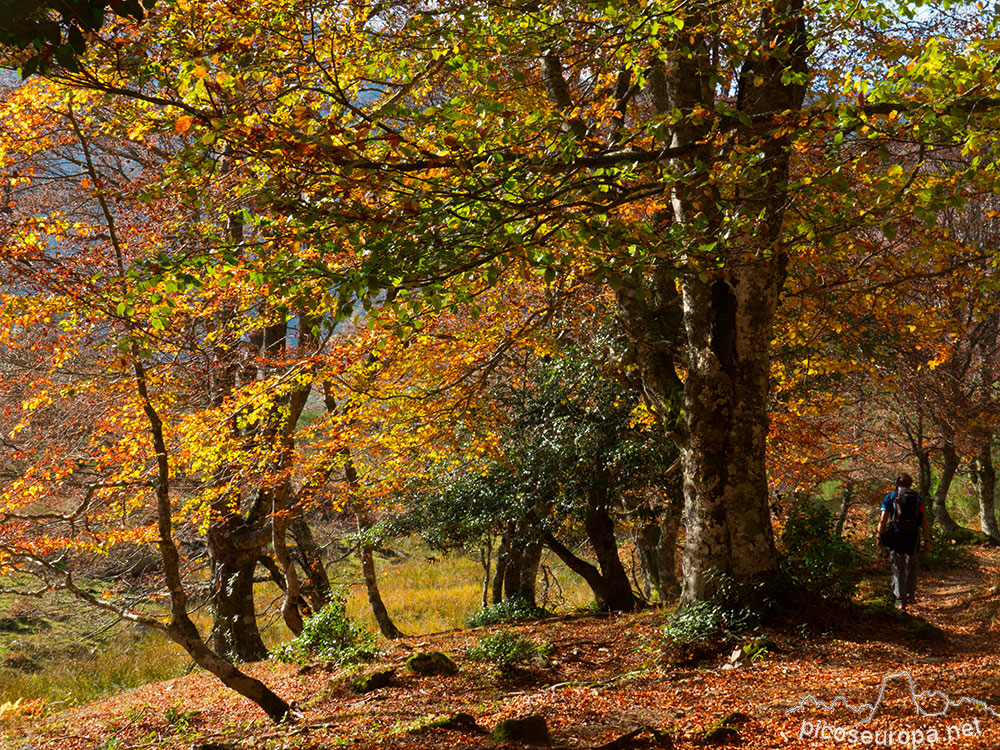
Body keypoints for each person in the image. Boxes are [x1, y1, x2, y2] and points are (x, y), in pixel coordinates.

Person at [877, 473, 931, 611]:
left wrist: (879, 537)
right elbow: (924, 521)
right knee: (912, 564)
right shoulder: (917, 498)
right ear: (910, 484)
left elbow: (883, 519)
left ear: (897, 483)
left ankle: (900, 600)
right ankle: (910, 595)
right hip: (913, 536)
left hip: (897, 535)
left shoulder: (891, 496)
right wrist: (927, 541)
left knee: (897, 566)